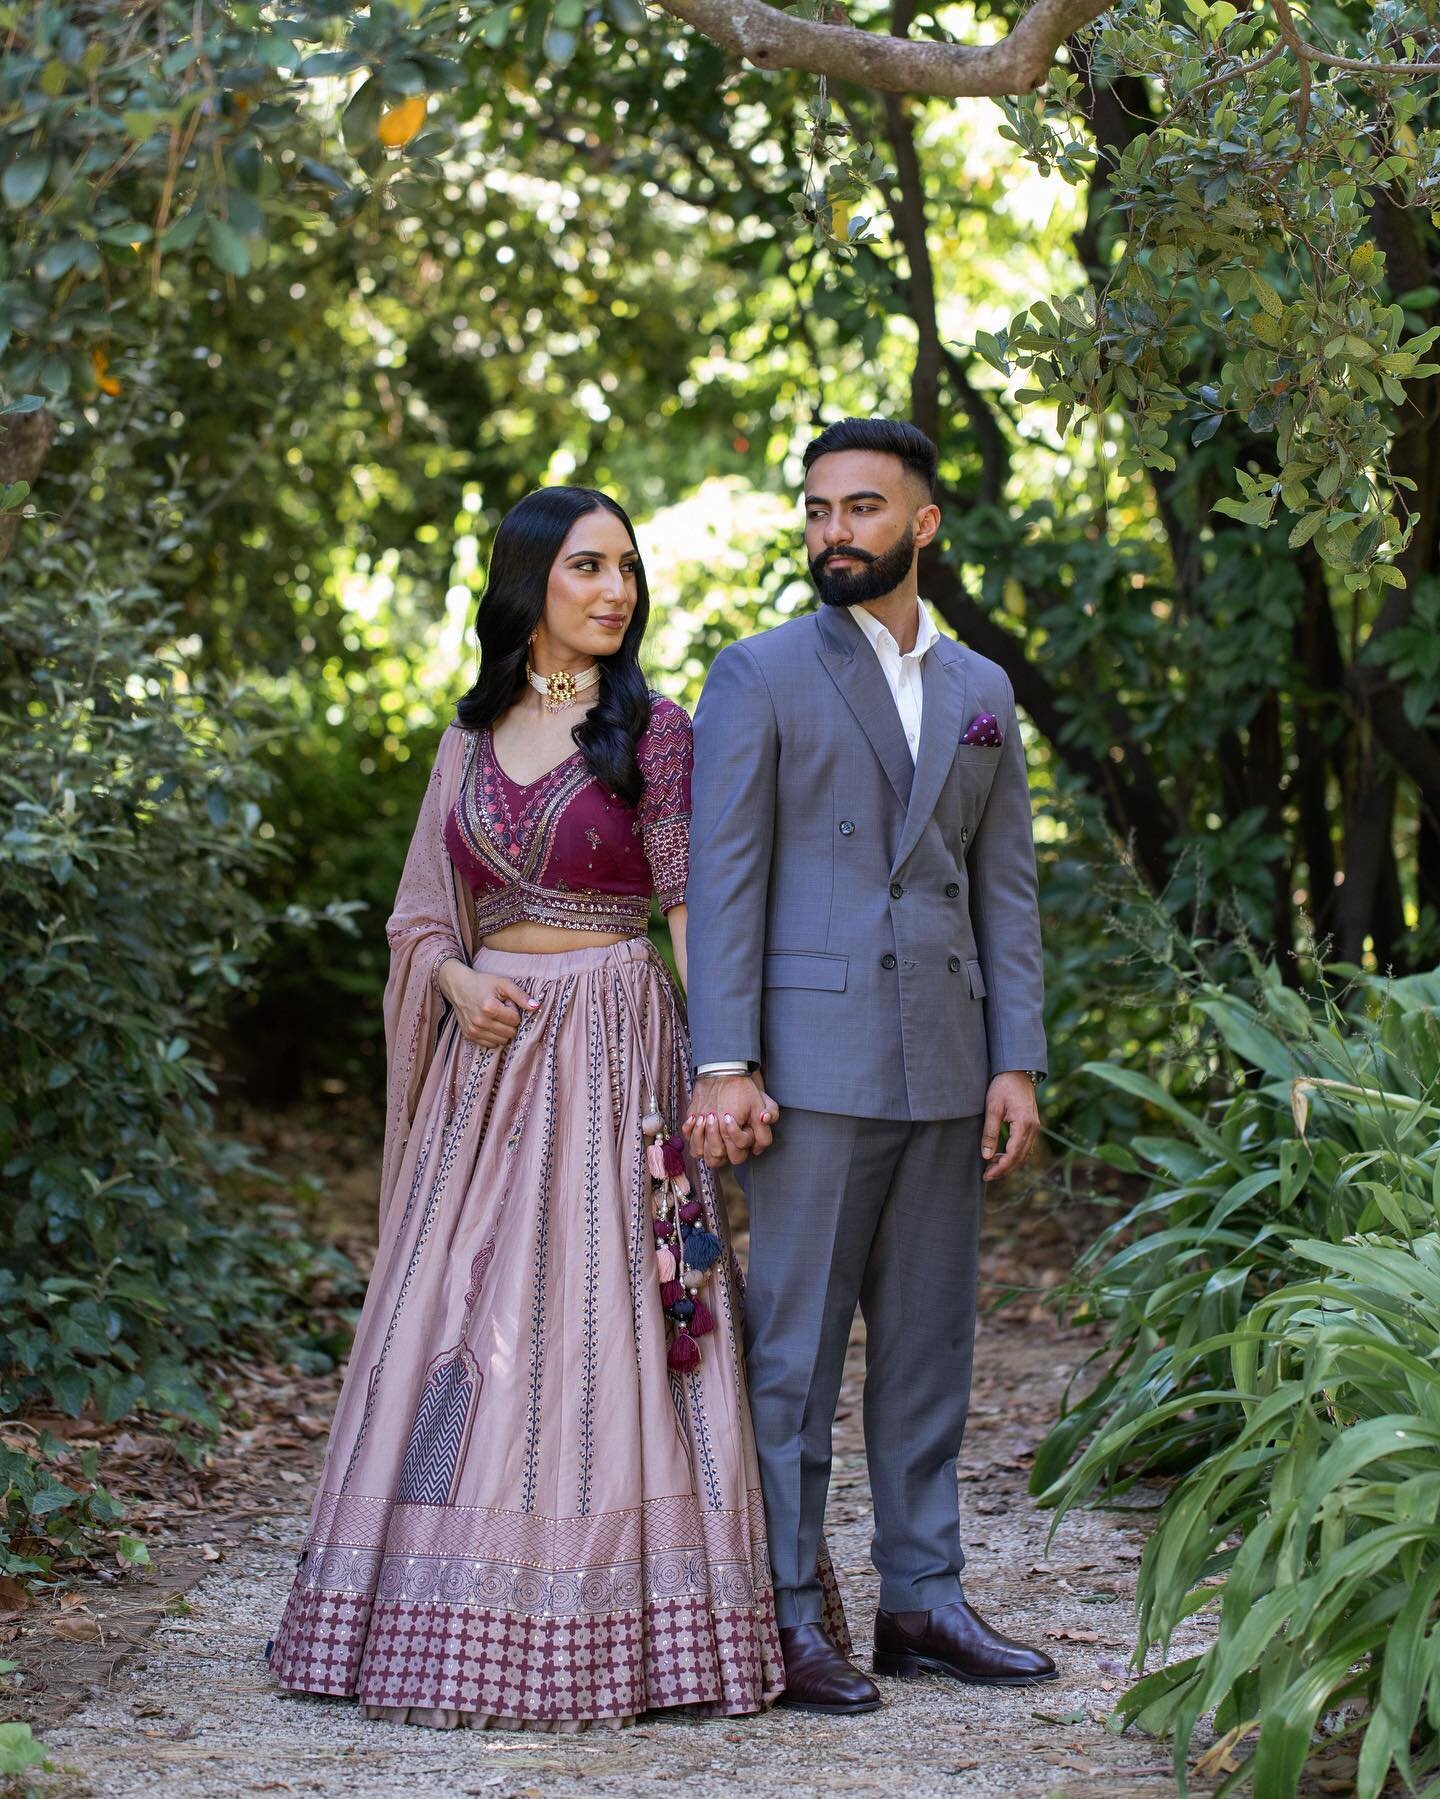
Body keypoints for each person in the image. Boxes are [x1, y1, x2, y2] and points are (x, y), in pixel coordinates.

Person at [269, 486, 818, 1731]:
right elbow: (419, 917)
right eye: (587, 567)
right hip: (487, 1064)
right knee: (455, 1305)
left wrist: (720, 1059)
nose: (616, 590)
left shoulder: (656, 733)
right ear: (529, 584)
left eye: (627, 567)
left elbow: (692, 907)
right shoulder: (466, 740)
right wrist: (457, 979)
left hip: (615, 1044)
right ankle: (433, 1607)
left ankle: (622, 1618)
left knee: (605, 1309)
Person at [684, 417, 1056, 1715]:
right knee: (791, 1359)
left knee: (927, 1352)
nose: (832, 531)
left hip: (947, 1068)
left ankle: (923, 1598)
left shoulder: (982, 695)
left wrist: (1018, 1060)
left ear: (923, 524)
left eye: (859, 508)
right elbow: (723, 878)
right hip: (810, 1066)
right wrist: (722, 1058)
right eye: (817, 510)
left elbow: (1002, 890)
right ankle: (788, 1615)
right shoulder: (759, 673)